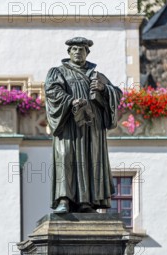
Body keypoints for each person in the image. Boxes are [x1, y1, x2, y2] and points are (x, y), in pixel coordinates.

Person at [44, 37, 122, 213]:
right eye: (74, 49)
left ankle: (87, 201)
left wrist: (104, 89)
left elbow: (117, 93)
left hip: (92, 126)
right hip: (69, 125)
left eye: (82, 49)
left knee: (90, 159)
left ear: (87, 53)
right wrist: (71, 101)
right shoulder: (58, 72)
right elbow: (52, 92)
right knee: (66, 157)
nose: (78, 52)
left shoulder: (97, 75)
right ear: (69, 53)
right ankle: (64, 199)